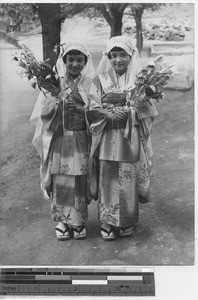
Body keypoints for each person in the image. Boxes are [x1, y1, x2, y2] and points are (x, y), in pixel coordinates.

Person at [88, 35, 158, 241]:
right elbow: (91, 107)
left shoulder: (140, 81)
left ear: (131, 56)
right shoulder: (100, 80)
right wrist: (107, 113)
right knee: (107, 178)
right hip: (107, 135)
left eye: (123, 55)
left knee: (128, 177)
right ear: (107, 57)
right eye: (113, 55)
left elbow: (148, 112)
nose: (118, 60)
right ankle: (107, 221)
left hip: (129, 136)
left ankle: (127, 220)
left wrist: (131, 112)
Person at [30, 41, 95, 241]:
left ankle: (78, 220)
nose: (75, 64)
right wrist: (55, 105)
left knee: (79, 178)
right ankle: (61, 220)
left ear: (85, 62)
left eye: (79, 60)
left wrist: (83, 110)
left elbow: (97, 113)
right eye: (70, 59)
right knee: (60, 178)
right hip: (60, 139)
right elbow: (44, 114)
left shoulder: (91, 84)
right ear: (64, 61)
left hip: (81, 139)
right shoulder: (53, 83)